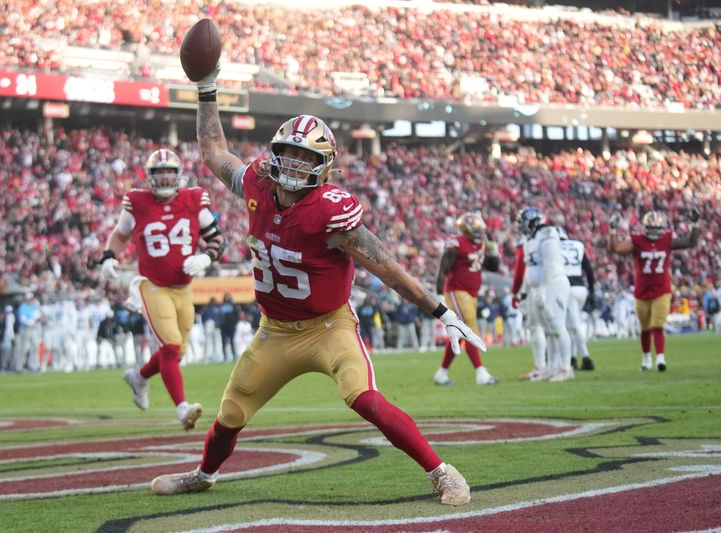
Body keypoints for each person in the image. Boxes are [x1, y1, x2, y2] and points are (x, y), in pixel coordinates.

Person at [149, 65, 486, 506]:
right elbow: (213, 150)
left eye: (306, 157)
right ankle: (204, 475)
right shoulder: (257, 184)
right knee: (230, 412)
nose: (294, 163)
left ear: (323, 166)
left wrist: (441, 312)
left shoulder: (330, 211)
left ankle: (442, 472)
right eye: (288, 153)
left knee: (363, 398)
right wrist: (206, 88)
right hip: (274, 331)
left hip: (329, 327)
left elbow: (387, 267)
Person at [99, 147, 226, 430]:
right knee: (169, 346)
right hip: (152, 285)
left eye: (170, 172)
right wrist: (108, 256)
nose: (165, 178)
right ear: (150, 176)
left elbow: (217, 239)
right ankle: (182, 408)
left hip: (183, 288)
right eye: (160, 173)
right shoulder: (137, 201)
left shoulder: (194, 199)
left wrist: (206, 257)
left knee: (177, 353)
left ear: (178, 175)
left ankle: (139, 377)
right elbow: (119, 234)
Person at [608, 208, 700, 371]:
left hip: (662, 290)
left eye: (656, 228)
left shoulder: (667, 239)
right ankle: (646, 359)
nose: (654, 231)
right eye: (651, 228)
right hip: (642, 291)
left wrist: (695, 224)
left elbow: (690, 242)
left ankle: (660, 358)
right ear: (645, 228)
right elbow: (616, 248)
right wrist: (612, 230)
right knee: (644, 328)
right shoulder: (637, 240)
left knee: (657, 324)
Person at [432, 212, 499, 386]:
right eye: (475, 229)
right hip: (457, 291)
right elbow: (442, 270)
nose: (479, 233)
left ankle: (441, 374)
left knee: (460, 333)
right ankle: (481, 373)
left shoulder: (480, 244)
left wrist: (493, 252)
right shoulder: (457, 244)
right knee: (470, 329)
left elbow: (492, 267)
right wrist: (439, 295)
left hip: (471, 293)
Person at [512, 207, 572, 382]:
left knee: (557, 327)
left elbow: (550, 265)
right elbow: (529, 269)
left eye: (523, 223)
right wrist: (524, 293)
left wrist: (543, 289)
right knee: (546, 330)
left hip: (554, 284)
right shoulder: (530, 240)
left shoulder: (547, 233)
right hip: (537, 288)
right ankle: (550, 368)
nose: (521, 226)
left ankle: (565, 368)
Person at [556, 226, 596, 371]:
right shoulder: (577, 245)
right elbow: (589, 270)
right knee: (570, 325)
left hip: (566, 288)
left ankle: (586, 358)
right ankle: (572, 358)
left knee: (573, 326)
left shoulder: (553, 246)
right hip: (581, 288)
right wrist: (592, 291)